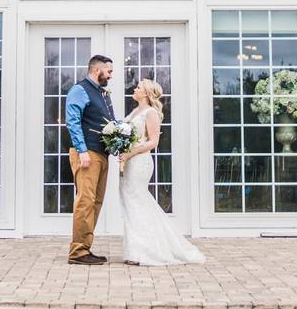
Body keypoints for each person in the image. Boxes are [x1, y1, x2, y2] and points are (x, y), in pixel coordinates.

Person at [119, 78, 205, 266]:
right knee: (131, 204)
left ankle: (144, 252)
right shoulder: (135, 111)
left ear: (147, 93)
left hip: (140, 162)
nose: (135, 88)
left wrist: (130, 153)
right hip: (129, 161)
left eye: (139, 87)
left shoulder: (151, 113)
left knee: (138, 203)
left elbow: (153, 142)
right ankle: (134, 249)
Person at [65, 54, 115, 265]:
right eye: (109, 71)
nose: (110, 75)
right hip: (87, 154)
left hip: (102, 154)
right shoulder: (80, 90)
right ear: (97, 70)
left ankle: (85, 247)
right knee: (85, 202)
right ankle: (77, 252)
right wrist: (82, 150)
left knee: (96, 201)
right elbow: (73, 120)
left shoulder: (102, 94)